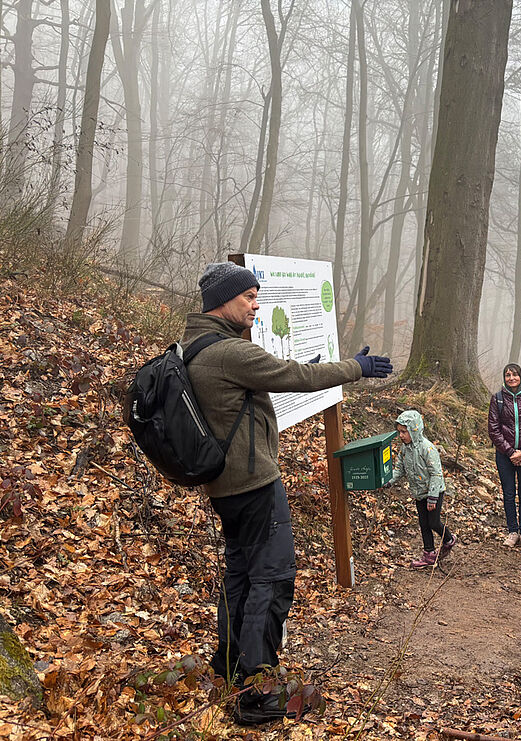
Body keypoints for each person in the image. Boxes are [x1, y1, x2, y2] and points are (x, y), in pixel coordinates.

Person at [183, 262, 392, 725]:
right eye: (249, 298)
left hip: (226, 486)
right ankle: (257, 689)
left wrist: (305, 371)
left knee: (240, 574)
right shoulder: (228, 352)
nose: (256, 306)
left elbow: (255, 388)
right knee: (272, 579)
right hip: (253, 484)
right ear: (222, 301)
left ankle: (231, 665)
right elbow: (290, 375)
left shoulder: (196, 345)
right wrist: (356, 367)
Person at [487, 363, 521, 549]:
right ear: (504, 378)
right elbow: (493, 429)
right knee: (509, 494)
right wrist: (511, 452)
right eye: (508, 375)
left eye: (515, 374)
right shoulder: (498, 399)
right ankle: (512, 531)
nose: (511, 378)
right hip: (505, 456)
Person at [391, 410, 456, 568]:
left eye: (404, 432)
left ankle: (448, 539)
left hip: (433, 492)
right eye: (399, 432)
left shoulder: (427, 448)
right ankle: (429, 554)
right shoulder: (404, 450)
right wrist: (388, 481)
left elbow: (436, 473)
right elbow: (399, 469)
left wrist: (433, 497)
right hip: (419, 493)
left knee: (433, 522)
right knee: (423, 523)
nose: (401, 435)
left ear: (414, 430)